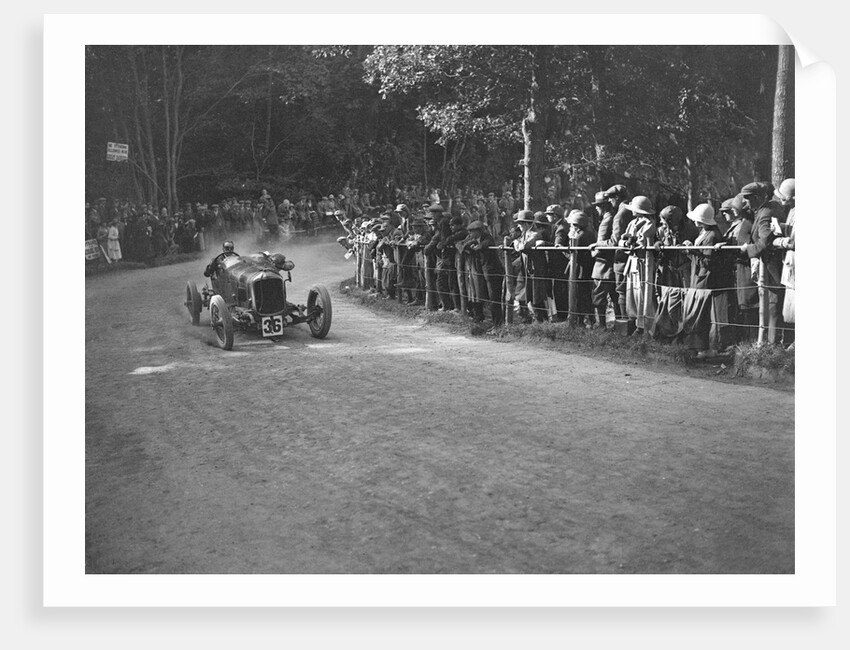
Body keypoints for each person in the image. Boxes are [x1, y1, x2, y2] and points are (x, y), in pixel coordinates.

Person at [737, 181, 785, 344]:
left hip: (772, 267)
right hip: (774, 266)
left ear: (757, 197)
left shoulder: (766, 213)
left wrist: (748, 249)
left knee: (773, 306)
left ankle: (772, 346)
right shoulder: (767, 208)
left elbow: (764, 242)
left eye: (747, 198)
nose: (744, 202)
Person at [620, 196, 658, 336]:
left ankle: (644, 326)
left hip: (643, 262)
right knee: (632, 293)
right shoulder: (632, 223)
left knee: (643, 293)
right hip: (632, 260)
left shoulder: (649, 223)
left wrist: (633, 242)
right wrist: (626, 243)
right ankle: (634, 321)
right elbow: (622, 240)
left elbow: (643, 242)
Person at [772, 178, 795, 347]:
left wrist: (778, 241)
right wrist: (781, 228)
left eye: (784, 197)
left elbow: (794, 241)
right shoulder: (792, 211)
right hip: (790, 264)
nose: (781, 201)